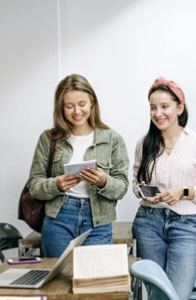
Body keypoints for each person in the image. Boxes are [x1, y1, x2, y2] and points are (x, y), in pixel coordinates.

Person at [132, 76, 196, 300]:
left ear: (179, 108)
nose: (158, 113)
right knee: (159, 299)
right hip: (149, 223)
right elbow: (135, 185)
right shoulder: (144, 144)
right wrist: (145, 193)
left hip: (186, 225)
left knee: (174, 299)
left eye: (164, 106)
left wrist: (184, 191)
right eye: (152, 107)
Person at [28, 74, 129, 257]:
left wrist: (103, 181)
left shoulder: (112, 139)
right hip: (58, 218)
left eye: (82, 104)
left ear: (92, 102)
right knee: (57, 281)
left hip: (98, 221)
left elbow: (122, 187)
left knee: (93, 281)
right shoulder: (49, 139)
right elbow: (34, 186)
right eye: (69, 106)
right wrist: (56, 184)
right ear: (61, 108)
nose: (76, 111)